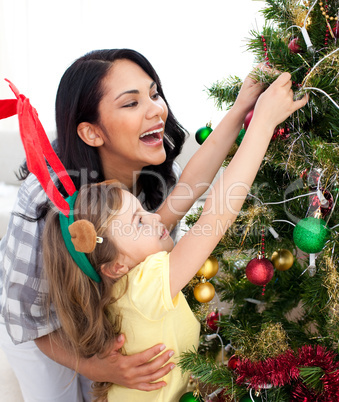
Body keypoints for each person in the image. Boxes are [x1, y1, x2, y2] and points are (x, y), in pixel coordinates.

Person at [0, 48, 269, 401]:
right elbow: (26, 317)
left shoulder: (141, 184)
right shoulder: (43, 204)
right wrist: (100, 368)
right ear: (91, 132)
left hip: (107, 310)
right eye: (131, 103)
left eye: (154, 94)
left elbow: (179, 200)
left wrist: (243, 107)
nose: (156, 109)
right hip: (41, 322)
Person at [41, 72, 308, 401]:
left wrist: (241, 109)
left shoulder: (120, 278)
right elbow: (218, 213)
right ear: (116, 265)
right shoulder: (148, 284)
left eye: (142, 209)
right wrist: (262, 123)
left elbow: (189, 187)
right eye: (139, 221)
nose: (156, 219)